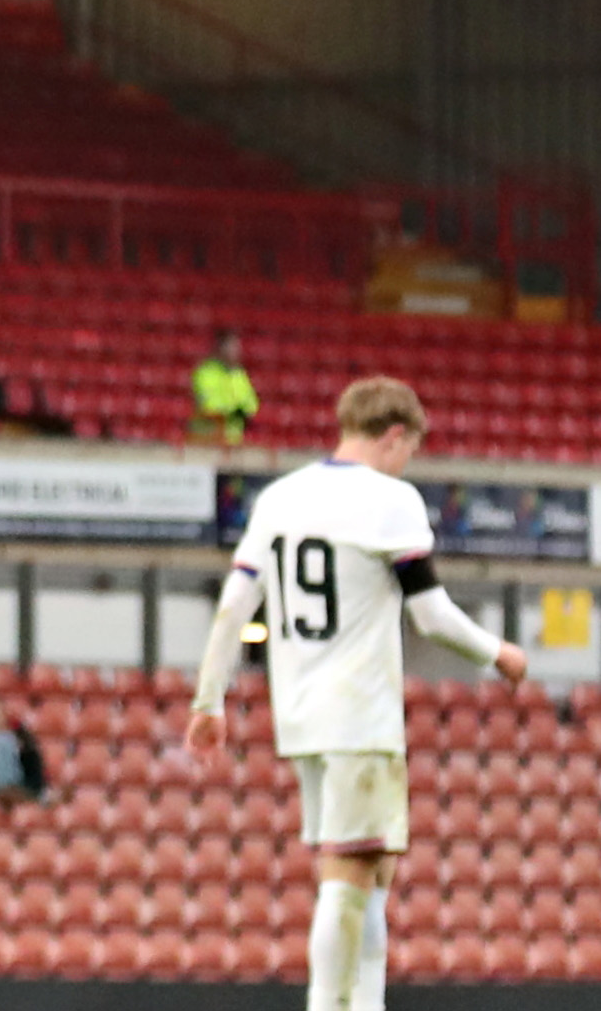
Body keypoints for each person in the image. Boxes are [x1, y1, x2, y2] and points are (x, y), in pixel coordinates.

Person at [186, 377, 527, 1011]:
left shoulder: (280, 497)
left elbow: (235, 606)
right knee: (347, 877)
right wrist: (498, 652)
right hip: (360, 714)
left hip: (302, 716)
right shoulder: (390, 499)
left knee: (369, 872)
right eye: (410, 451)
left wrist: (209, 701)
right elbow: (430, 615)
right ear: (395, 435)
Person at [193, 329, 261, 443]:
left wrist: (245, 411)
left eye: (236, 347)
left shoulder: (240, 375)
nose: (235, 351)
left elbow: (251, 403)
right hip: (208, 438)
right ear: (220, 348)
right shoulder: (206, 373)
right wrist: (234, 411)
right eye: (231, 347)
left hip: (233, 440)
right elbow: (208, 404)